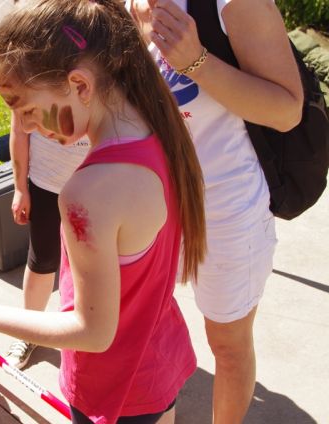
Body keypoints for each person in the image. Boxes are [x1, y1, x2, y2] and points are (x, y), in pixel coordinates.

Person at [0, 0, 208, 422]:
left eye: (26, 110)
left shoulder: (89, 192)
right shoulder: (159, 129)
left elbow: (92, 333)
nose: (25, 128)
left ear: (80, 85)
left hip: (114, 387)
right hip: (158, 364)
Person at [126, 0, 304, 421]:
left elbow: (287, 111)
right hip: (149, 202)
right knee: (145, 328)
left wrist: (196, 62)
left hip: (225, 208)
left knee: (227, 344)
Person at [5, 123, 89, 369]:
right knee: (42, 259)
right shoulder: (29, 95)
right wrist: (20, 188)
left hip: (96, 183)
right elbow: (19, 130)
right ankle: (29, 333)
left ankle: (91, 332)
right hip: (46, 183)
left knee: (95, 265)